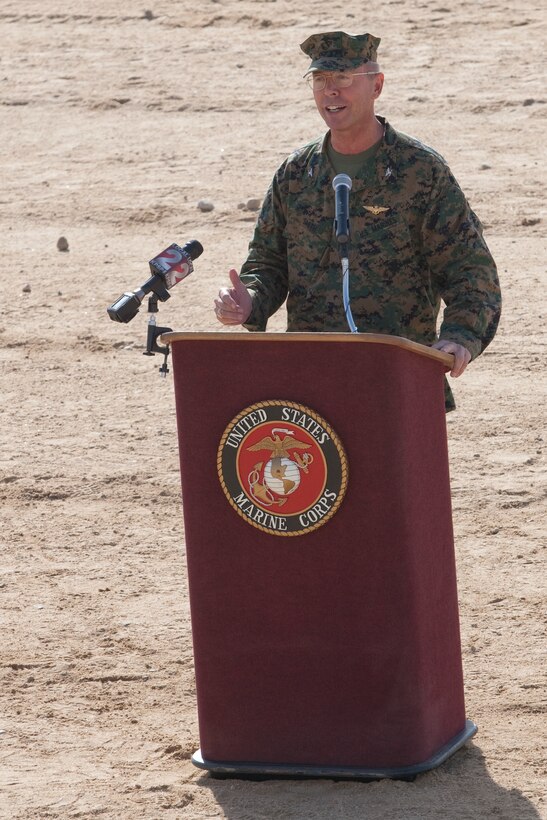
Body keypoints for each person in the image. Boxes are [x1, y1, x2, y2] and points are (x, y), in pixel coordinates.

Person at [213, 31, 501, 410]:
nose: (330, 91)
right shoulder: (297, 174)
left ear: (376, 85)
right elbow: (268, 264)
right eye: (320, 80)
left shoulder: (419, 171)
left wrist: (461, 335)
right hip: (309, 380)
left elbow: (469, 269)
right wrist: (248, 301)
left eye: (344, 78)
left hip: (397, 377)